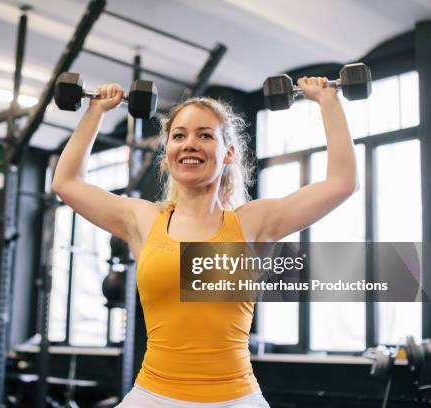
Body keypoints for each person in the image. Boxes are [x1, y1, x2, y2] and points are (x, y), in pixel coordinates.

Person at [51, 77, 358, 407]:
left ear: (227, 153)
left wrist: (328, 101)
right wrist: (95, 110)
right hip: (153, 396)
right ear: (167, 153)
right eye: (179, 136)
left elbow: (341, 183)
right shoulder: (143, 220)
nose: (189, 143)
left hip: (235, 398)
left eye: (205, 135)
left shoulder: (252, 225)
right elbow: (67, 182)